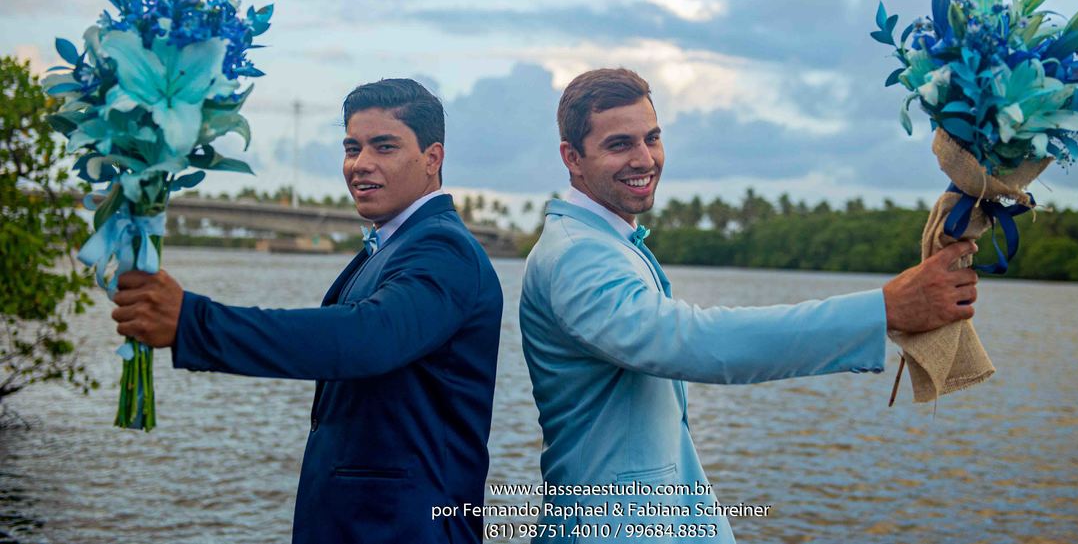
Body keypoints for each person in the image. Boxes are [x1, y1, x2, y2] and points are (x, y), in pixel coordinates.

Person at [520, 68, 979, 543]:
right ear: (571, 158)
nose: (645, 159)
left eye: (652, 138)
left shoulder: (602, 240)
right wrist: (883, 309)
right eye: (619, 145)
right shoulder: (578, 255)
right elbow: (693, 341)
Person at [111, 78, 503, 544]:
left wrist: (192, 323)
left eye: (384, 146)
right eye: (352, 147)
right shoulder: (394, 246)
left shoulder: (443, 249)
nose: (361, 164)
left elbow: (365, 338)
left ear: (432, 158)